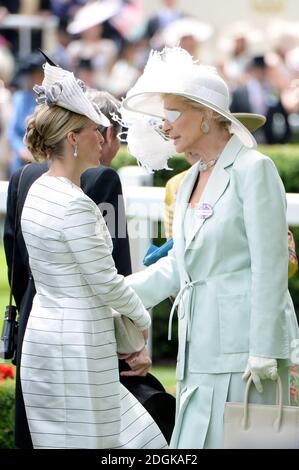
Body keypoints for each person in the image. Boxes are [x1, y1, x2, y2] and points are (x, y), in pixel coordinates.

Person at [121, 47, 299, 449]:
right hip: (197, 347)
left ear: (205, 115)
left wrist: (264, 349)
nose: (164, 127)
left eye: (172, 115)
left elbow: (271, 264)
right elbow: (177, 266)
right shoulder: (186, 183)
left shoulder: (254, 169)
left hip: (249, 357)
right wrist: (113, 292)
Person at [12, 61, 167, 449]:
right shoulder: (75, 204)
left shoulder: (38, 190)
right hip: (77, 345)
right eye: (94, 130)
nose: (103, 138)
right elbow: (108, 282)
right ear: (72, 138)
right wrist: (142, 320)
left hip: (43, 339)